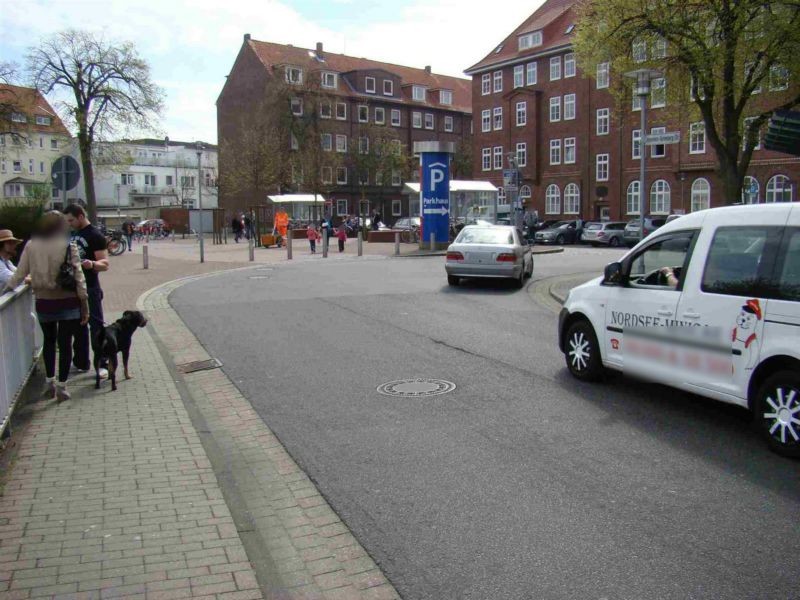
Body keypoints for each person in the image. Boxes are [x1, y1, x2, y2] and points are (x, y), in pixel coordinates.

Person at [3, 212, 89, 402]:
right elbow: (79, 277)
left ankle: (49, 382)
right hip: (68, 301)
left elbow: (19, 274)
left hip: (44, 301)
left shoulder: (31, 246)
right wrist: (84, 303)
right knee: (65, 344)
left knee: (49, 342)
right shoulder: (68, 246)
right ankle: (62, 386)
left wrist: (6, 291)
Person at [63, 204, 109, 378]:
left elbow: (105, 264)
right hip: (72, 287)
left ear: (81, 216)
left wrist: (92, 264)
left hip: (90, 287)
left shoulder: (95, 235)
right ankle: (81, 362)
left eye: (71, 220)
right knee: (77, 326)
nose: (70, 224)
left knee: (96, 326)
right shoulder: (70, 234)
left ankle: (102, 363)